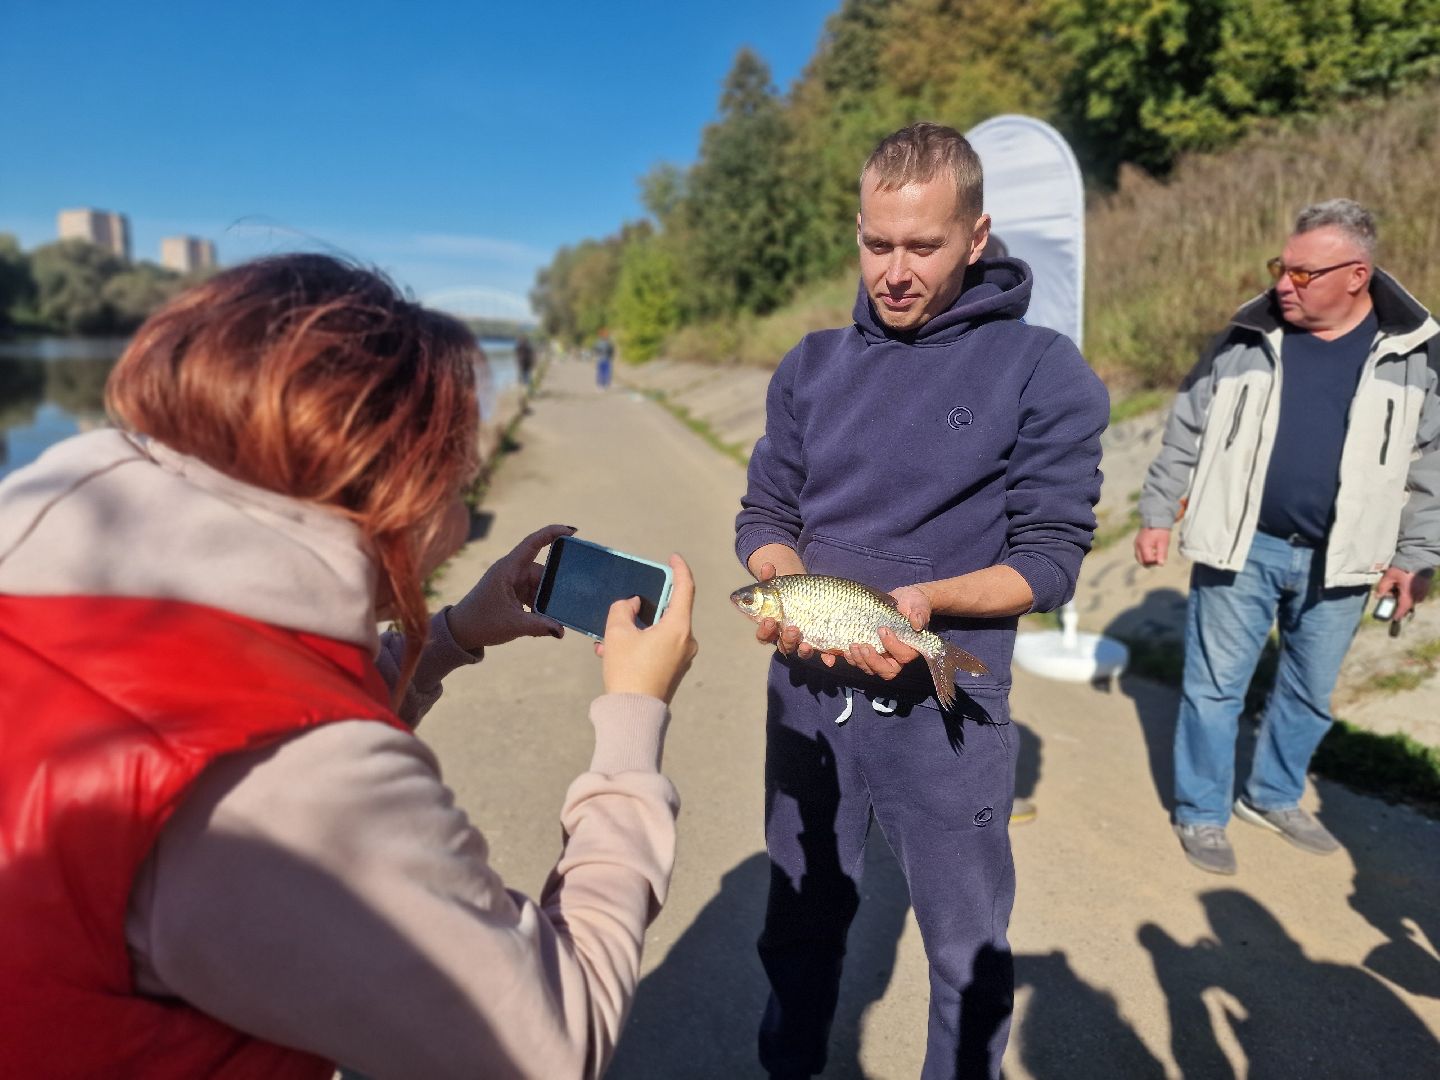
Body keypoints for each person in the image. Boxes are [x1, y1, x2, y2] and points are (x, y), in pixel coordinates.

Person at [0, 254, 698, 1079]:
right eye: (459, 481)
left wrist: (452, 634)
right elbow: (552, 1042)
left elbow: (254, 690)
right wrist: (634, 715)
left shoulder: (62, 578)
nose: (464, 507)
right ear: (399, 494)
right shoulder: (281, 783)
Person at [735, 123, 1109, 1080]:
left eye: (922, 246)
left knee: (965, 953)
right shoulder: (809, 365)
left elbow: (1051, 558)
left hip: (947, 716)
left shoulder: (1043, 369)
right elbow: (766, 513)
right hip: (809, 699)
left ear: (976, 237)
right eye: (876, 243)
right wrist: (783, 583)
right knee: (798, 927)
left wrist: (932, 603)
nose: (894, 273)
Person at [1134, 198, 1440, 876]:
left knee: (1308, 693)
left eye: (1303, 273)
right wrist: (1157, 512)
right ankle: (1201, 811)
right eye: (1282, 266)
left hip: (1345, 559)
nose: (1282, 283)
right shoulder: (1244, 337)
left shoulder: (1418, 353)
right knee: (1215, 689)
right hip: (1241, 546)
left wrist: (1417, 558)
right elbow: (1186, 427)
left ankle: (1271, 796)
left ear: (1357, 276)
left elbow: (1433, 467)